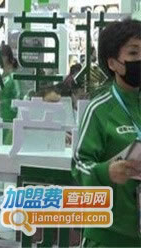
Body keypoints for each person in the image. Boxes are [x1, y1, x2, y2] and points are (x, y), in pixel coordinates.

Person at [72, 18, 141, 247]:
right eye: (134, 52)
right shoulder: (100, 109)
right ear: (113, 63)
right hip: (108, 236)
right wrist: (106, 172)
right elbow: (79, 166)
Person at [0, 43, 21, 144]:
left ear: (5, 58)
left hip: (10, 122)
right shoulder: (3, 77)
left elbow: (19, 99)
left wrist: (3, 103)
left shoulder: (14, 77)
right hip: (1, 120)